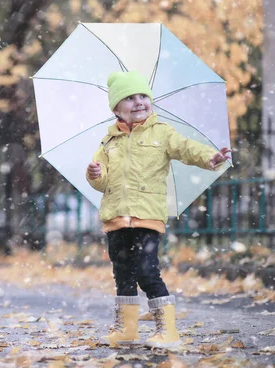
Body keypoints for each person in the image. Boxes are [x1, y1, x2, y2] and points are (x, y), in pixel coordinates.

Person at [86, 71, 231, 349]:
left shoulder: (162, 132)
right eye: (129, 98)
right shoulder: (108, 142)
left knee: (146, 270)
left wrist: (209, 157)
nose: (139, 102)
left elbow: (185, 148)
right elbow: (101, 182)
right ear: (117, 108)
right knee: (123, 273)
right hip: (116, 218)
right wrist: (94, 173)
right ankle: (127, 329)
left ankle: (168, 329)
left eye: (143, 96)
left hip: (147, 217)